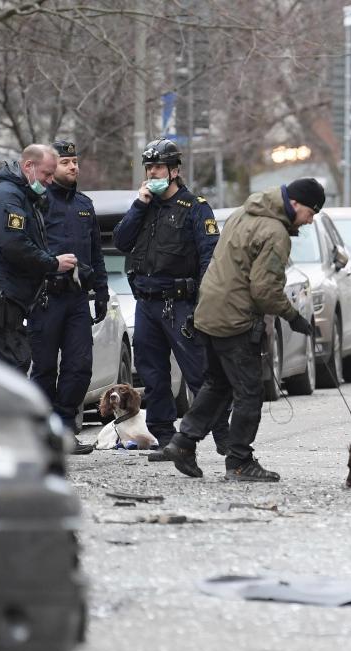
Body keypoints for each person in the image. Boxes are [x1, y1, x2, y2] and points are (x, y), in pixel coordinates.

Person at [159, 178, 323, 481]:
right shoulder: (275, 233)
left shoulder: (243, 213)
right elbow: (264, 290)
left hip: (208, 312)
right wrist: (293, 316)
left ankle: (183, 443)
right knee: (249, 391)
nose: (310, 220)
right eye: (311, 213)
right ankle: (239, 460)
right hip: (234, 320)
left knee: (218, 384)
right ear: (296, 204)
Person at [112, 138, 230, 453]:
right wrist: (139, 204)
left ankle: (225, 438)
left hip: (180, 303)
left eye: (159, 167)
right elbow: (121, 241)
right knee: (153, 375)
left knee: (199, 374)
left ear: (174, 170)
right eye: (149, 167)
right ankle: (166, 440)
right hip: (146, 302)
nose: (153, 172)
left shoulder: (195, 207)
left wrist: (203, 304)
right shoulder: (144, 206)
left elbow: (210, 257)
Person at [28, 140, 107, 453]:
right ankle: (41, 432)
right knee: (45, 368)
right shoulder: (37, 201)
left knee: (79, 367)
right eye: (66, 162)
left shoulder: (84, 204)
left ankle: (62, 429)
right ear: (51, 167)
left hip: (76, 298)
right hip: (46, 297)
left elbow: (96, 254)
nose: (73, 167)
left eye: (75, 161)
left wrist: (100, 291)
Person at [0, 145, 78, 372]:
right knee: (10, 365)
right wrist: (53, 263)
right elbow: (14, 245)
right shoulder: (7, 197)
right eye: (47, 174)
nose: (50, 181)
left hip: (9, 294)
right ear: (28, 165)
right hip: (1, 294)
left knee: (12, 362)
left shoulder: (21, 196)